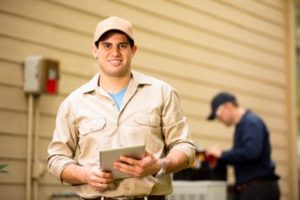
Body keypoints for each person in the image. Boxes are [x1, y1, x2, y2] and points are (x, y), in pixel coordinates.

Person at [47, 16, 195, 200]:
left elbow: (185, 146)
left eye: (122, 45)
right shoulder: (74, 103)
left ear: (133, 50)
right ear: (95, 50)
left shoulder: (162, 93)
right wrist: (86, 175)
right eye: (107, 45)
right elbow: (56, 160)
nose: (115, 52)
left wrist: (159, 165)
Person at [206, 92, 280, 200]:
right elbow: (241, 156)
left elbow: (251, 152)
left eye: (218, 114)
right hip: (252, 189)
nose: (219, 119)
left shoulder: (250, 122)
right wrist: (220, 159)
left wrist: (222, 154)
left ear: (228, 106)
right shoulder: (242, 125)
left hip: (259, 189)